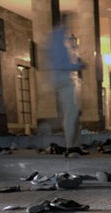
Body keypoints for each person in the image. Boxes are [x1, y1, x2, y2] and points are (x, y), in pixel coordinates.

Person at [44, 14, 85, 156]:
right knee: (71, 114)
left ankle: (76, 145)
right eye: (71, 21)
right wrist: (79, 65)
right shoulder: (58, 37)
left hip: (66, 79)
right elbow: (61, 63)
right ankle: (70, 147)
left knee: (73, 114)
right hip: (64, 79)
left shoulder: (62, 38)